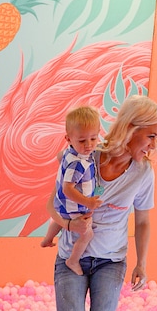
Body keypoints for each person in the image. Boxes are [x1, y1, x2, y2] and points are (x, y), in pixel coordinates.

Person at [50, 94, 157, 311]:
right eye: (151, 135)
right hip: (72, 256)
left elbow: (142, 221)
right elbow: (54, 201)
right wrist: (66, 224)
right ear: (131, 128)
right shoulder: (87, 152)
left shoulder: (143, 173)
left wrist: (142, 262)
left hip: (110, 261)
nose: (155, 143)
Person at [40, 106, 103, 276]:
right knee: (87, 234)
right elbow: (68, 189)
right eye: (82, 141)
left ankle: (47, 239)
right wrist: (88, 202)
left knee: (59, 220)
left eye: (93, 138)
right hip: (74, 205)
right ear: (68, 138)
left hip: (61, 204)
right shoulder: (77, 163)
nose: (89, 145)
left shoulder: (70, 152)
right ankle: (73, 260)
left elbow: (59, 156)